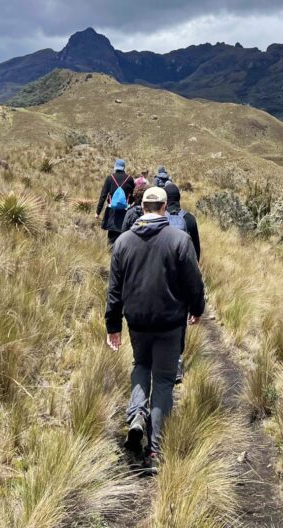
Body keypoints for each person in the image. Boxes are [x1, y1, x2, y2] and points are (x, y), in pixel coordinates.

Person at [105, 186, 204, 464]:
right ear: (163, 208)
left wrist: (113, 325)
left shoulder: (123, 242)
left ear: (143, 207)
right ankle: (154, 450)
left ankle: (137, 413)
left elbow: (114, 290)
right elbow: (193, 282)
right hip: (169, 323)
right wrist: (197, 309)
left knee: (140, 365)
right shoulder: (179, 239)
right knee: (162, 380)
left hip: (136, 321)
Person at [164, 179, 201, 384]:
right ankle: (176, 363)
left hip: (162, 278)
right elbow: (196, 253)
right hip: (182, 281)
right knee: (180, 322)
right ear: (179, 199)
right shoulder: (190, 219)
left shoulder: (159, 218)